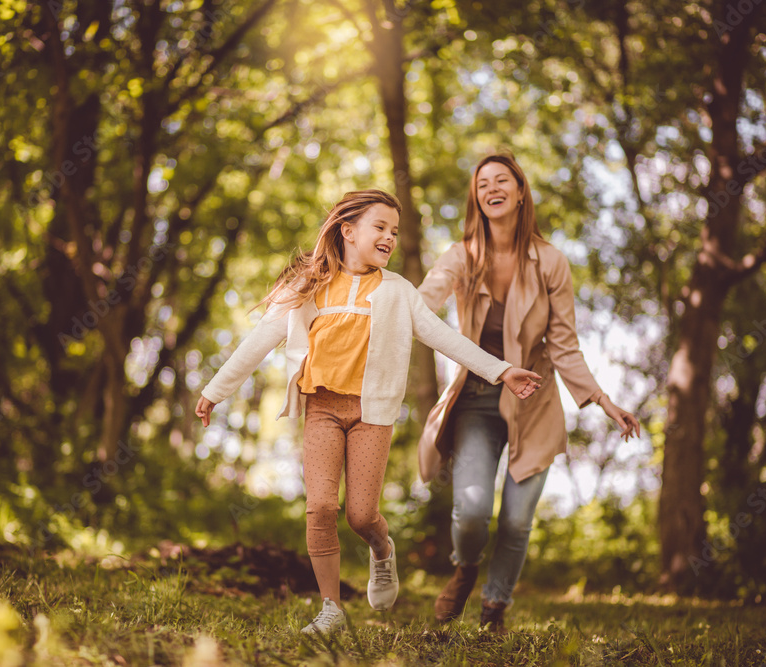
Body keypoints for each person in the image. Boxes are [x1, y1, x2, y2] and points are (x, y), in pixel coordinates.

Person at [195, 189, 543, 635]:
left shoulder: (398, 292)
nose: (389, 237)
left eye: (394, 231)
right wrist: (214, 390)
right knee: (320, 507)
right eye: (380, 227)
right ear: (348, 230)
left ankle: (382, 549)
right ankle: (331, 610)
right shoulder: (309, 286)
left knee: (360, 515)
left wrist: (502, 371)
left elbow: (444, 337)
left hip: (371, 414)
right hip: (321, 408)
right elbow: (259, 339)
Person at [416, 151, 641, 633]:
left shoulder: (552, 262)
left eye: (502, 181)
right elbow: (423, 302)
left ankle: (494, 608)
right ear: (476, 198)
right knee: (472, 508)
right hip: (476, 397)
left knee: (517, 521)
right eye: (482, 184)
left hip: (533, 401)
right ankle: (465, 568)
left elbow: (565, 347)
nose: (492, 189)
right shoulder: (461, 256)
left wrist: (604, 401)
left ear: (520, 192)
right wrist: (378, 302)